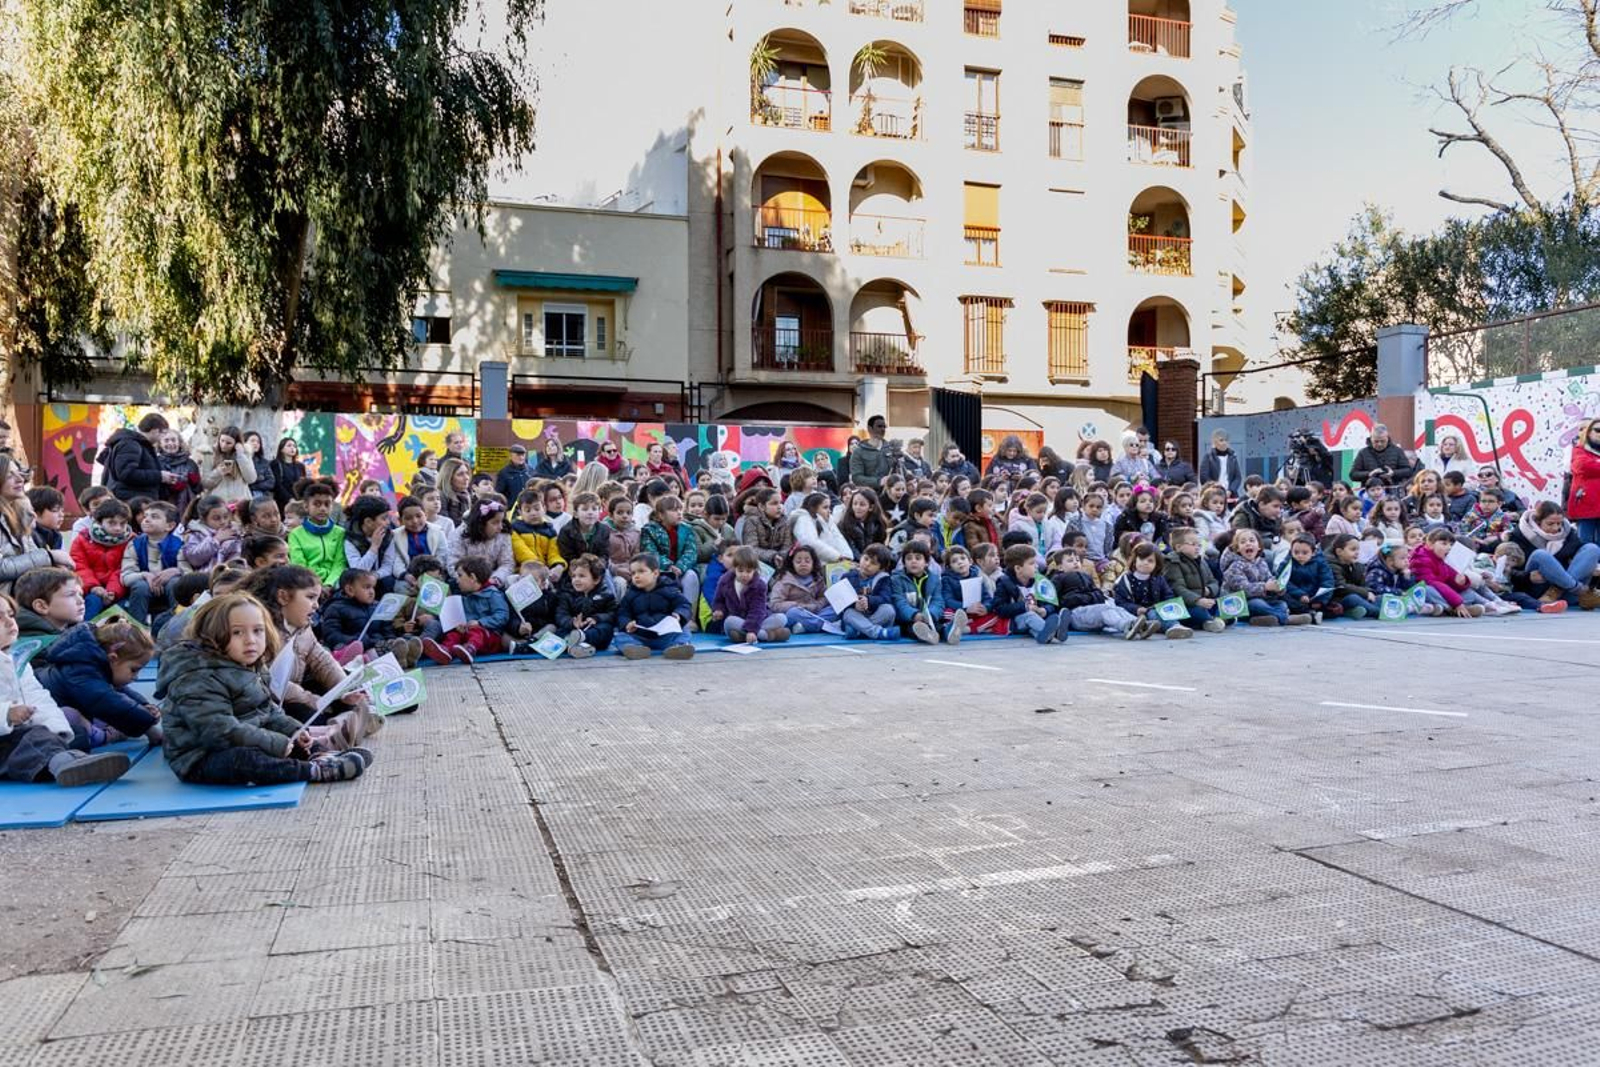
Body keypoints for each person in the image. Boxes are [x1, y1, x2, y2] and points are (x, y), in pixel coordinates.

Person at [157, 593, 368, 784]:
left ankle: (320, 754)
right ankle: (311, 771)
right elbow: (219, 731)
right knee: (246, 760)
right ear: (212, 636)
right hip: (201, 756)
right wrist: (274, 742)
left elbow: (268, 710)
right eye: (237, 632)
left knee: (293, 739)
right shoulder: (197, 676)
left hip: (245, 738)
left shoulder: (250, 665)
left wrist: (293, 730)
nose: (250, 640)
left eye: (258, 631)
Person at [0, 594, 131, 787]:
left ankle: (65, 760)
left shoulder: (15, 659)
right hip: (8, 735)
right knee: (35, 739)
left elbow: (38, 698)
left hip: (21, 735)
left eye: (10, 615)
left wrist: (57, 731)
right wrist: (6, 714)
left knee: (73, 733)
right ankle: (64, 762)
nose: (9, 622)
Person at [36, 618, 162, 746]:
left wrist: (143, 705)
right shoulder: (80, 671)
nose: (136, 677)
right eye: (134, 670)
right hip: (48, 714)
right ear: (113, 658)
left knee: (108, 714)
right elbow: (107, 700)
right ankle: (104, 736)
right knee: (71, 716)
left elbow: (117, 690)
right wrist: (148, 727)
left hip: (77, 704)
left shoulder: (92, 663)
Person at [1508, 501, 1600, 609]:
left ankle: (1558, 589)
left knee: (1592, 548)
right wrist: (1527, 577)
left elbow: (1581, 559)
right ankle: (1580, 591)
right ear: (1538, 522)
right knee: (1540, 555)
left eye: (1559, 523)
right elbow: (1508, 571)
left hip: (1564, 593)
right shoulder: (1519, 535)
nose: (1556, 528)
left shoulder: (1569, 533)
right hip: (1538, 590)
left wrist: (1593, 567)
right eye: (1550, 524)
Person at [614, 552, 695, 660]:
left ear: (655, 573)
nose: (636, 576)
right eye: (633, 573)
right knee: (620, 637)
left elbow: (684, 604)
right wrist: (627, 624)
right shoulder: (630, 594)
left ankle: (678, 647)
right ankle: (636, 649)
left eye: (641, 571)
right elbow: (622, 613)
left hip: (665, 635)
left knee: (684, 630)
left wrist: (679, 615)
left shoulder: (669, 589)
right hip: (640, 635)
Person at [1221, 529, 1306, 626]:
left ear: (1259, 547)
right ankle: (1285, 619)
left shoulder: (1261, 562)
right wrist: (1265, 587)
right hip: (1239, 604)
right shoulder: (1235, 566)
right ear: (1238, 549)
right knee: (1257, 604)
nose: (1248, 544)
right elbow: (1244, 589)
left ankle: (1261, 620)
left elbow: (1269, 578)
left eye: (1252, 541)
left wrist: (1278, 587)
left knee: (1282, 604)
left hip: (1262, 599)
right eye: (1243, 542)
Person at [710, 545, 790, 644]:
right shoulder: (725, 580)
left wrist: (752, 630)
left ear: (755, 570)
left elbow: (757, 610)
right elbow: (718, 600)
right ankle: (768, 635)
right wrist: (718, 610)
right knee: (729, 622)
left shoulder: (760, 585)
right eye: (740, 570)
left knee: (782, 618)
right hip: (738, 620)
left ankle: (747, 635)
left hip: (759, 620)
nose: (744, 574)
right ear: (734, 568)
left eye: (748, 571)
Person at [993, 544, 1071, 644]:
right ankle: (1056, 632)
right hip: (1015, 621)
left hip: (1036, 620)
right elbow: (1000, 609)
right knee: (1029, 616)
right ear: (1018, 568)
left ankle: (1045, 636)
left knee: (1042, 623)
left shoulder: (1039, 581)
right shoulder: (1004, 583)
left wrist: (1044, 610)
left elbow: (1049, 602)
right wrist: (1025, 607)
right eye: (1032, 563)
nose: (1036, 566)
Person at [70, 497, 134, 619]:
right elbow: (79, 565)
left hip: (120, 589)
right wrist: (94, 587)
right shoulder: (83, 538)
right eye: (112, 523)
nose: (118, 528)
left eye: (122, 523)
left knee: (122, 609)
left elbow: (124, 568)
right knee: (93, 602)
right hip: (90, 587)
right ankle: (83, 631)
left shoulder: (132, 540)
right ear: (99, 522)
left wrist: (112, 591)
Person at [639, 495, 700, 612]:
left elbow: (691, 552)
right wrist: (668, 566)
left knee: (691, 576)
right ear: (661, 515)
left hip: (681, 569)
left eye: (680, 509)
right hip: (660, 569)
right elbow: (650, 552)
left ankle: (688, 615)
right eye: (673, 510)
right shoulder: (649, 529)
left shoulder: (687, 529)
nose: (679, 513)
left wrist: (680, 567)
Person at [553, 554, 617, 658]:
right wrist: (572, 622)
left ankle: (580, 641)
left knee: (606, 629)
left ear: (596, 579)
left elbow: (613, 614)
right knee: (559, 633)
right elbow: (561, 615)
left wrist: (597, 618)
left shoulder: (606, 595)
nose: (576, 579)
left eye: (581, 576)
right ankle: (579, 647)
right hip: (573, 630)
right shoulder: (567, 595)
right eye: (573, 576)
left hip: (593, 630)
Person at [1163, 528, 1226, 632]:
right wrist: (1197, 600)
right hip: (1188, 605)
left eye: (1199, 545)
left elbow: (1213, 581)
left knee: (1225, 603)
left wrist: (1209, 590)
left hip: (1205, 601)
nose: (1197, 548)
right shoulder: (1172, 562)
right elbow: (1177, 588)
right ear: (1178, 547)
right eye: (1193, 544)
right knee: (1198, 612)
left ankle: (1212, 620)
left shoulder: (1201, 561)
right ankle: (1210, 621)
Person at [98, 413, 171, 502]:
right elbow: (126, 473)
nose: (162, 438)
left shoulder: (136, 444)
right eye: (163, 433)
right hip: (130, 500)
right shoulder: (131, 444)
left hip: (132, 498)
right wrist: (159, 476)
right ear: (154, 431)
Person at [288, 480, 347, 591]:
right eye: (317, 504)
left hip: (335, 585)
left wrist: (329, 584)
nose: (323, 508)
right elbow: (300, 565)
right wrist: (317, 586)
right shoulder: (295, 534)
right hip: (307, 585)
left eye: (327, 504)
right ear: (306, 506)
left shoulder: (340, 532)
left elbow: (340, 563)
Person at [769, 544, 833, 635]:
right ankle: (822, 626)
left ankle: (806, 627)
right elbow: (774, 604)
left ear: (813, 563)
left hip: (814, 612)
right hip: (796, 613)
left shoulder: (818, 579)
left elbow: (824, 596)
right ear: (792, 563)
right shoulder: (784, 580)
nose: (803, 564)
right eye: (798, 561)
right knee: (792, 613)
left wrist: (817, 605)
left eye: (807, 561)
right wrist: (796, 605)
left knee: (834, 609)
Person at [198, 425, 257, 505]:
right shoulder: (210, 454)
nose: (224, 445)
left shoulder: (244, 453)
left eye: (228, 443)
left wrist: (240, 455)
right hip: (218, 502)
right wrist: (218, 472)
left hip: (240, 502)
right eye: (222, 441)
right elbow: (205, 483)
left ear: (236, 443)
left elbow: (251, 479)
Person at [1566, 417, 1600, 546]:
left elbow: (1591, 467)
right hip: (1586, 504)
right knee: (1584, 543)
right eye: (1597, 430)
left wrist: (1595, 464)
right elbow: (1582, 466)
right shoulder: (1579, 449)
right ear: (1588, 432)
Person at [1349, 423, 1414, 488]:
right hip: (1370, 491)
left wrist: (1393, 473)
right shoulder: (1363, 453)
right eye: (1376, 441)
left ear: (1387, 438)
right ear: (1371, 439)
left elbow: (1408, 471)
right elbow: (1353, 474)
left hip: (1392, 489)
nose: (1379, 444)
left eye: (1383, 441)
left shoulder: (1397, 451)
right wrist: (1369, 474)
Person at [848, 415, 893, 490]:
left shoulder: (890, 449)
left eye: (884, 427)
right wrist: (878, 482)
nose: (882, 429)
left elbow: (901, 473)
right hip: (869, 495)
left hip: (890, 494)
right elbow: (856, 478)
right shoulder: (859, 452)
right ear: (870, 428)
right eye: (879, 426)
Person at [1198, 430, 1243, 500]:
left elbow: (1238, 477)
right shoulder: (1208, 457)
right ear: (1214, 442)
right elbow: (1204, 477)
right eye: (1221, 440)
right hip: (1213, 494)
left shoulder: (1233, 457)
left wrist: (1231, 490)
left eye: (1226, 440)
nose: (1224, 443)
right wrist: (1216, 488)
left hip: (1230, 495)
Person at [269, 438, 308, 511]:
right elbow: (277, 485)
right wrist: (290, 499)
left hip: (299, 502)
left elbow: (304, 484)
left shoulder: (300, 466)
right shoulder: (276, 464)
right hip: (282, 502)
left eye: (294, 446)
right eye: (289, 446)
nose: (292, 448)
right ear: (281, 449)